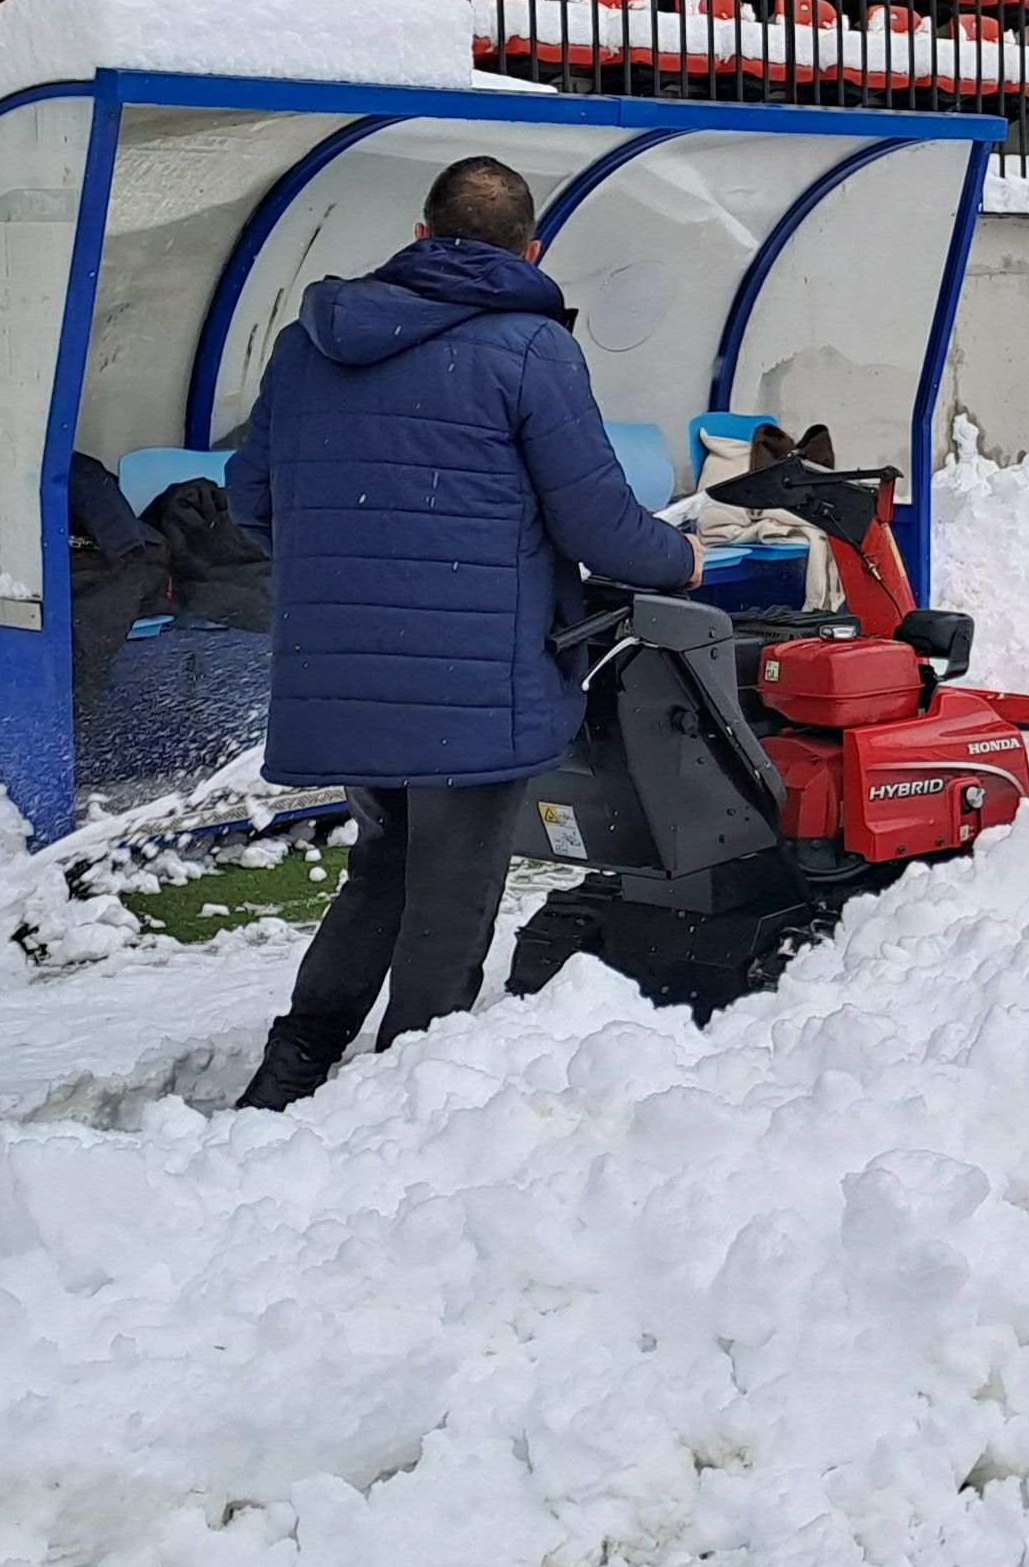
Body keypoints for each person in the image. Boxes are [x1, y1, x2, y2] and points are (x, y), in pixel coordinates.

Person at [224, 155, 702, 1107]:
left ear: (420, 236)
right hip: (477, 673)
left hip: (347, 668)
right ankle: (408, 1093)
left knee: (385, 861)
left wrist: (358, 573)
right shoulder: (529, 350)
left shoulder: (310, 341)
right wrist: (679, 559)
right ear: (534, 251)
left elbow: (252, 500)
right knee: (453, 885)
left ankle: (294, 1066)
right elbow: (597, 524)